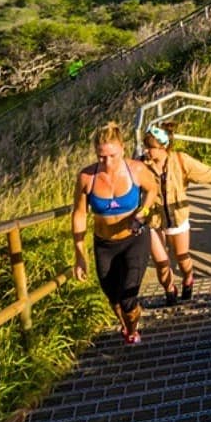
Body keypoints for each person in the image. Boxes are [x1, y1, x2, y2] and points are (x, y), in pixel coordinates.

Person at [141, 121, 211, 304]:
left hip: (177, 217)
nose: (146, 151)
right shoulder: (141, 165)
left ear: (163, 148)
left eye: (150, 148)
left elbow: (209, 173)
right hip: (154, 219)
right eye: (145, 147)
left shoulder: (180, 161)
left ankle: (188, 278)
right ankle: (169, 290)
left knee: (182, 259)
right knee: (161, 262)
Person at [72, 121, 159, 345]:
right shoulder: (86, 178)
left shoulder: (137, 170)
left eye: (112, 155)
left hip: (134, 240)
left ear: (122, 148)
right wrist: (80, 254)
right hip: (104, 244)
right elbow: (80, 214)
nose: (107, 162)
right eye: (102, 157)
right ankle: (125, 323)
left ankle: (132, 328)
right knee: (113, 297)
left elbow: (152, 189)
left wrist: (143, 212)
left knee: (128, 298)